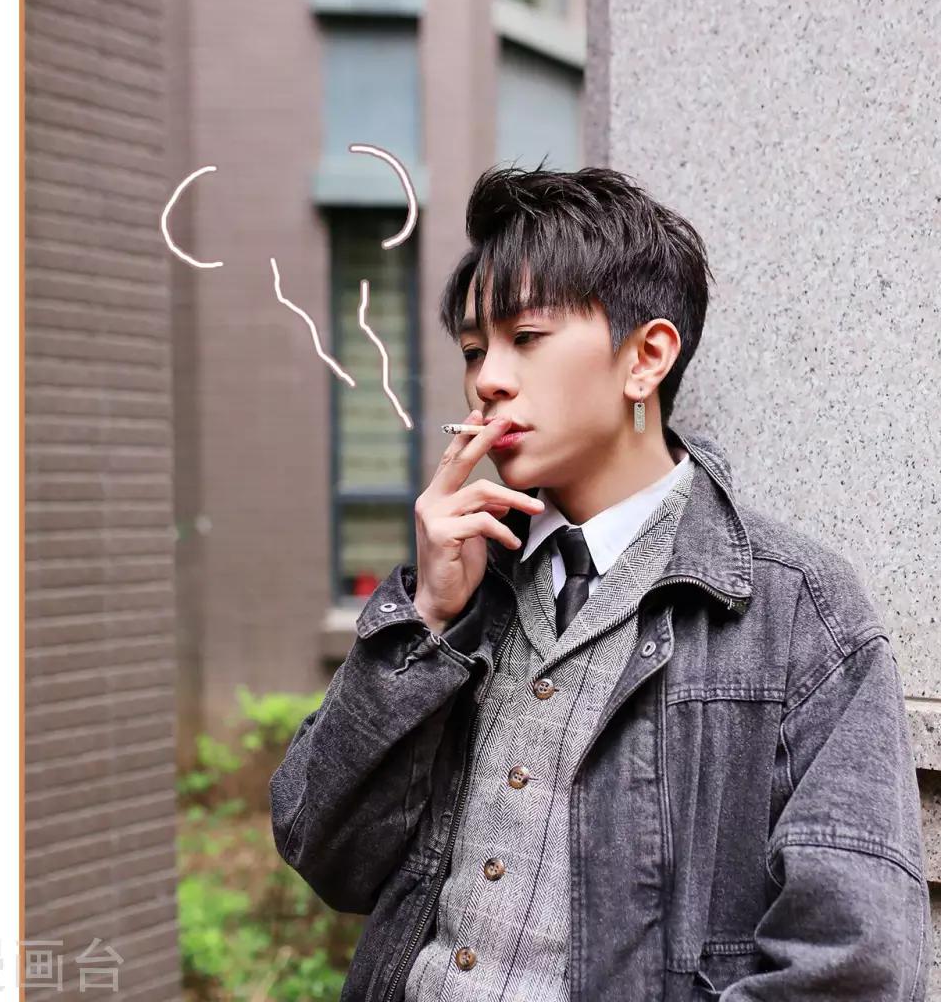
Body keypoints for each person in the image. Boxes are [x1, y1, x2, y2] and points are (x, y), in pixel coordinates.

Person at [269, 165, 931, 1000]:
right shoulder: (467, 579)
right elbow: (322, 848)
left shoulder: (800, 613)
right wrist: (427, 617)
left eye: (526, 337)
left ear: (645, 358)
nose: (487, 380)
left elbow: (855, 966)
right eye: (473, 350)